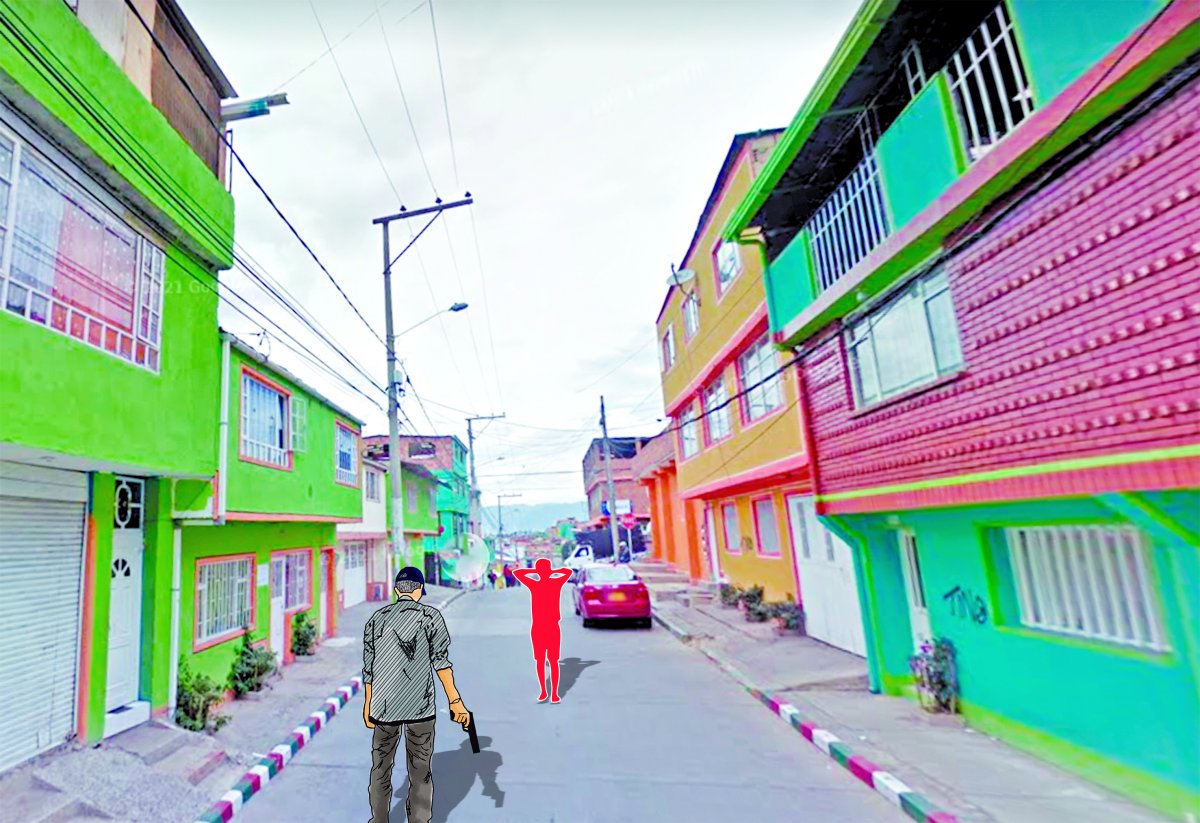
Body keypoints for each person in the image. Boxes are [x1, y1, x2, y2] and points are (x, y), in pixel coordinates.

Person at [362, 567, 470, 823]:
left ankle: (378, 820)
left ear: (397, 590)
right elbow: (442, 664)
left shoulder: (376, 619)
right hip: (420, 709)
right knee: (420, 771)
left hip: (383, 707)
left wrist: (368, 705)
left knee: (380, 769)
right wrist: (455, 702)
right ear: (420, 590)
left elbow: (369, 670)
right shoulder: (431, 617)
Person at [512, 558, 572, 703]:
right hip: (547, 626)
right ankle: (551, 692)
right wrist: (551, 572)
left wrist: (535, 572)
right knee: (550, 661)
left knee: (544, 661)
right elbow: (567, 572)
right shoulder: (554, 582)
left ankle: (546, 692)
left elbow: (518, 573)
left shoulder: (535, 584)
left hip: (543, 626)